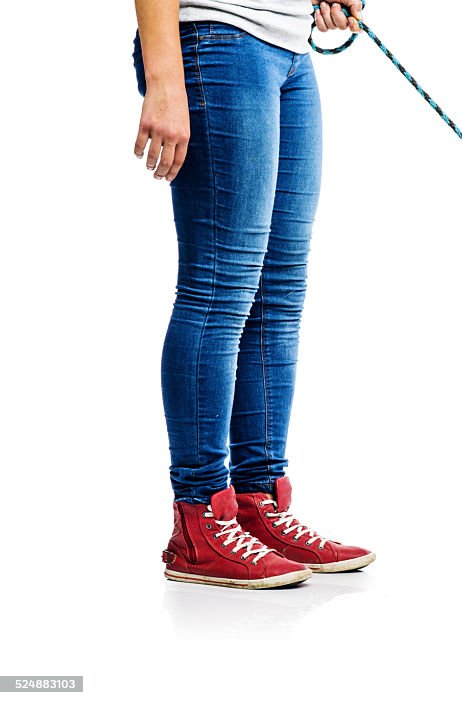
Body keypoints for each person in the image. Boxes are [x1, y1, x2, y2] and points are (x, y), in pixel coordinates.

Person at [132, 0, 373, 589]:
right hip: (216, 41)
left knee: (278, 290)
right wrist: (165, 81)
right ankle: (198, 521)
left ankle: (255, 503)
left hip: (287, 51)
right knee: (220, 284)